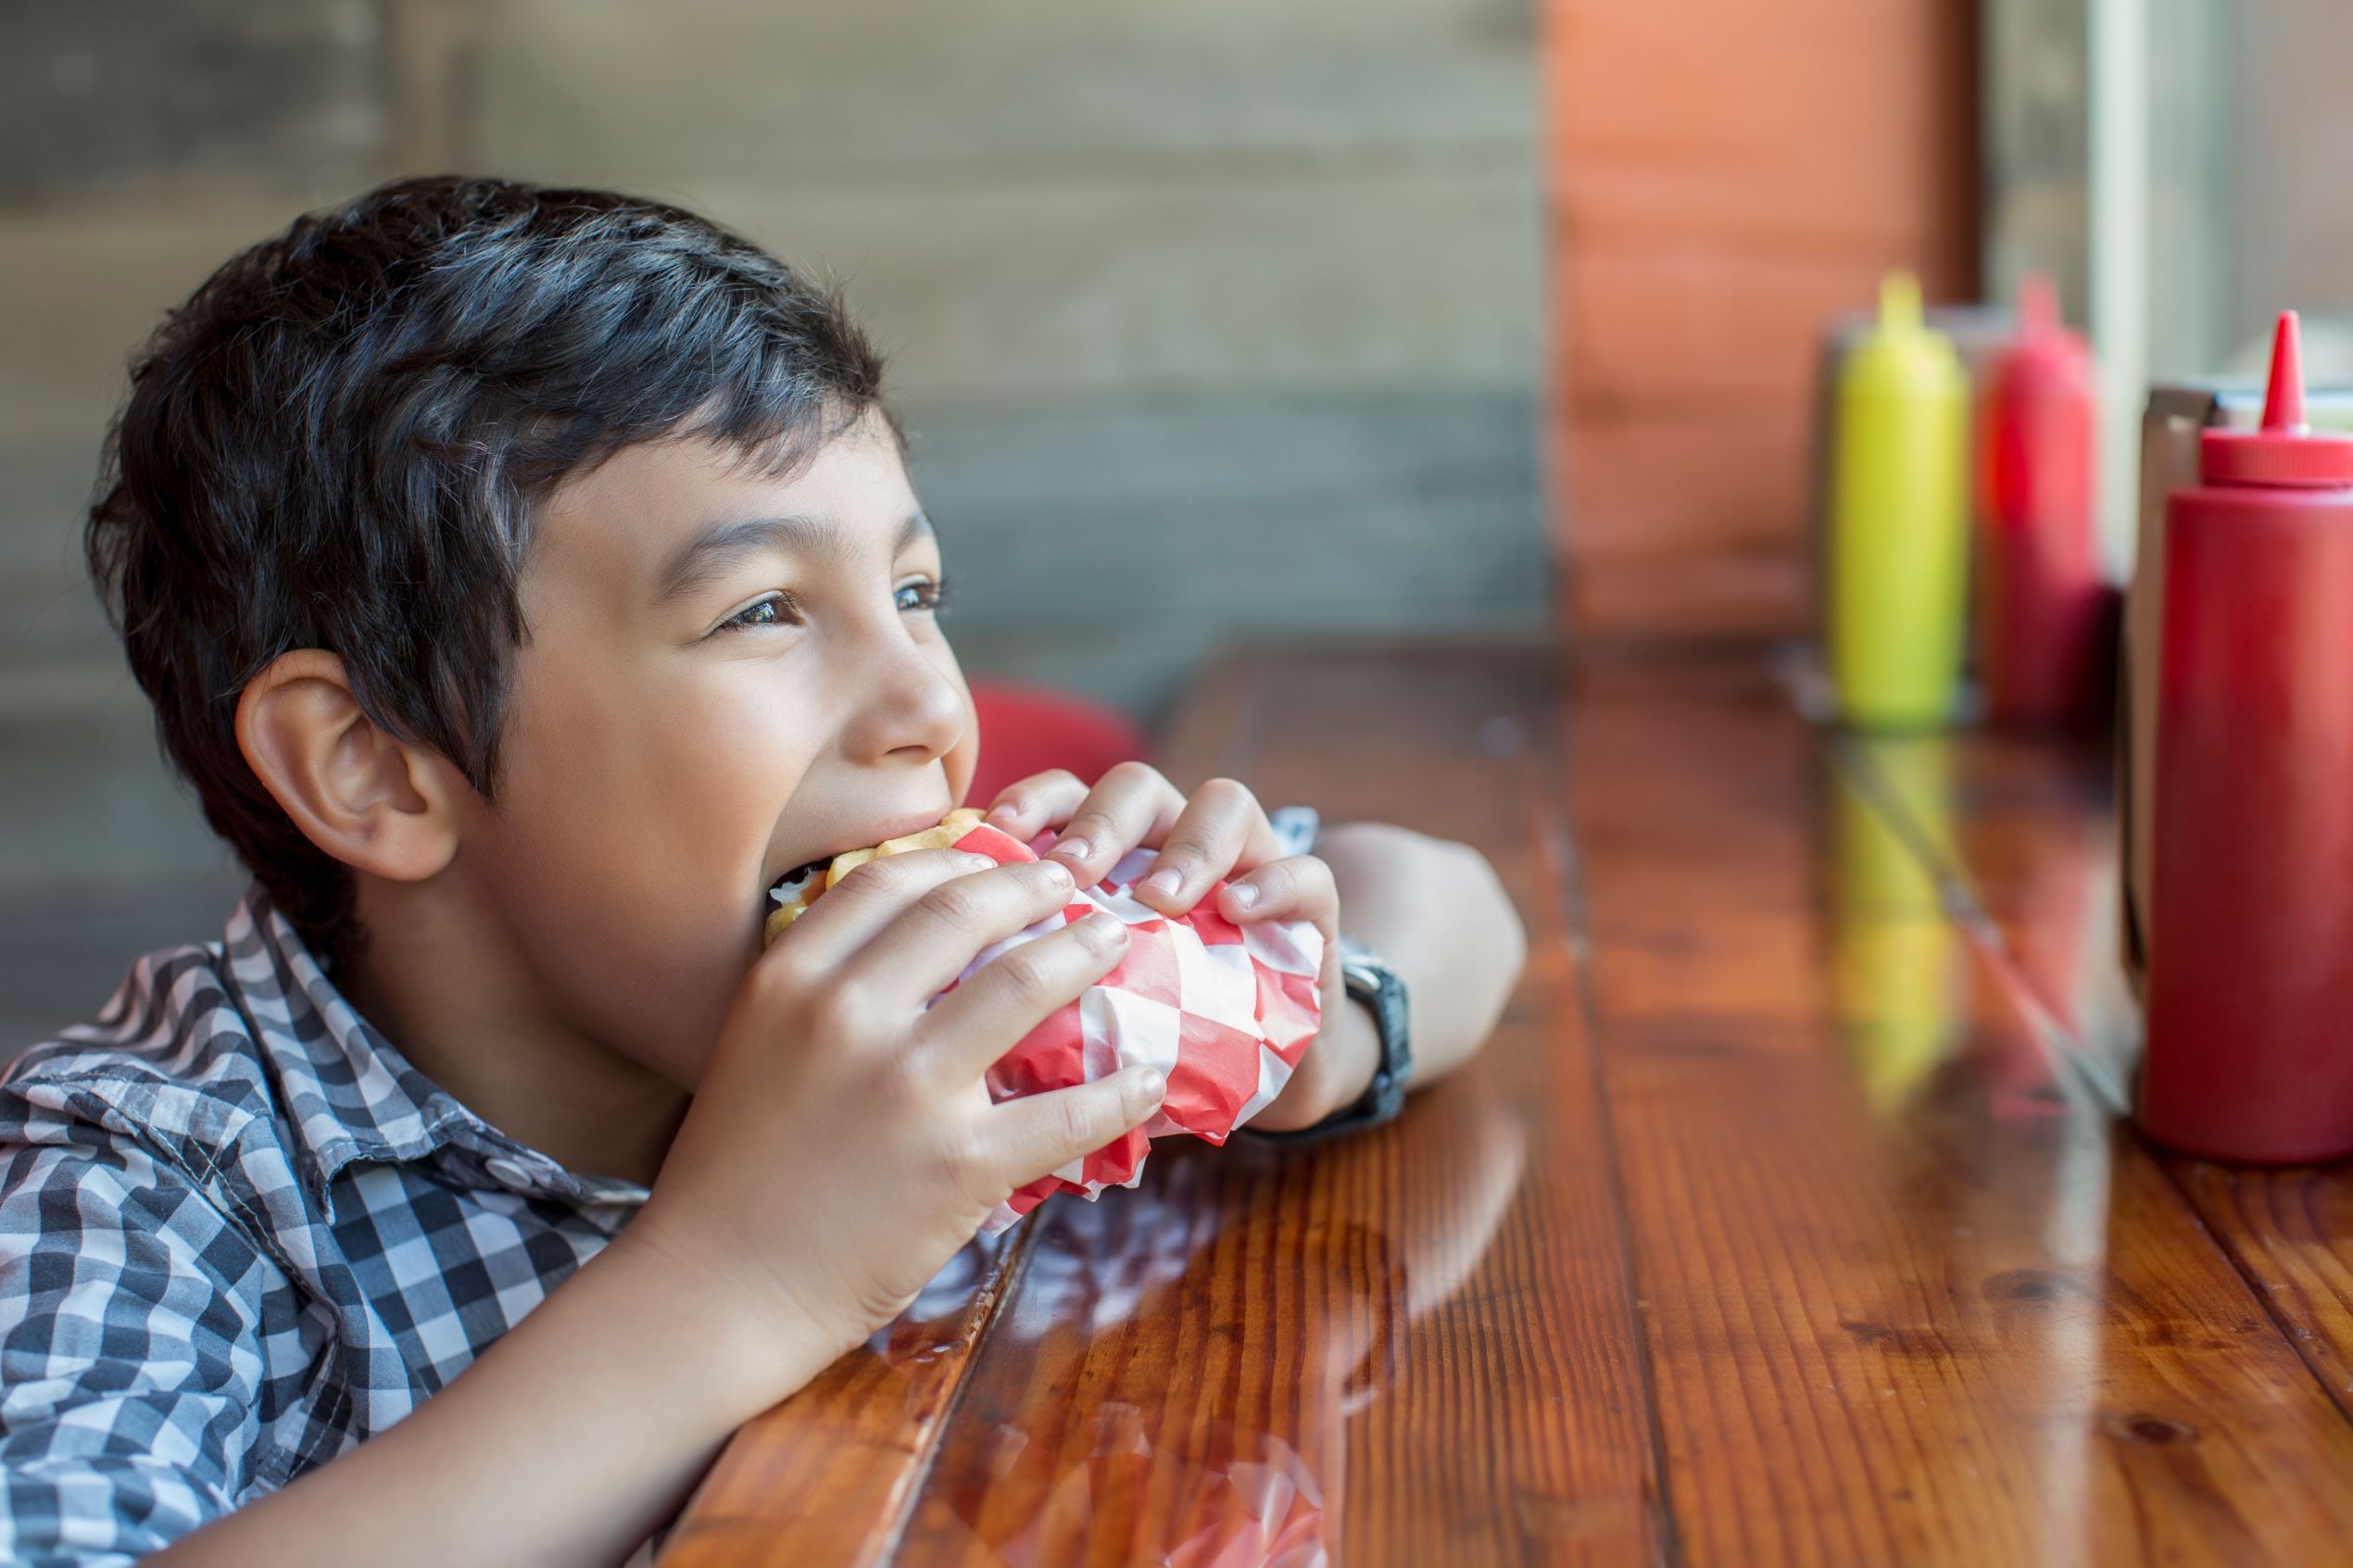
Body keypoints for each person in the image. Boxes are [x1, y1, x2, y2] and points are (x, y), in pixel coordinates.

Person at [0, 177, 1526, 1565]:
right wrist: (747, 1273)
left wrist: (1319, 1021)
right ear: (376, 765)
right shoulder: (137, 1182)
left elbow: (1456, 901)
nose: (931, 707)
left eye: (915, 588)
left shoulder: (959, 986)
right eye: (762, 611)